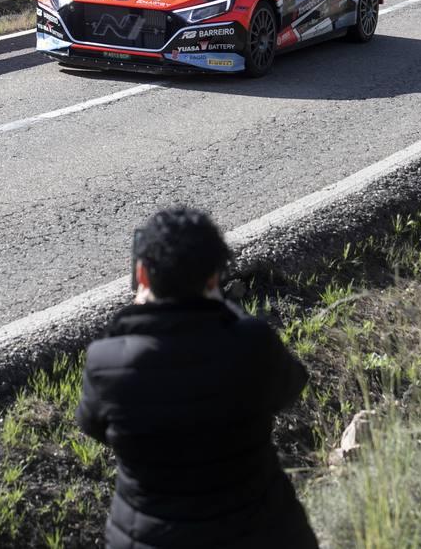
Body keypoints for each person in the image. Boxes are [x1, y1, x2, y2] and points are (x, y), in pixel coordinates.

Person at [76, 207, 320, 549]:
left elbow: (93, 425)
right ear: (213, 278)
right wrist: (229, 313)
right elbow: (290, 388)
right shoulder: (252, 343)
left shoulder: (106, 361)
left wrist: (128, 321)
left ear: (142, 275)